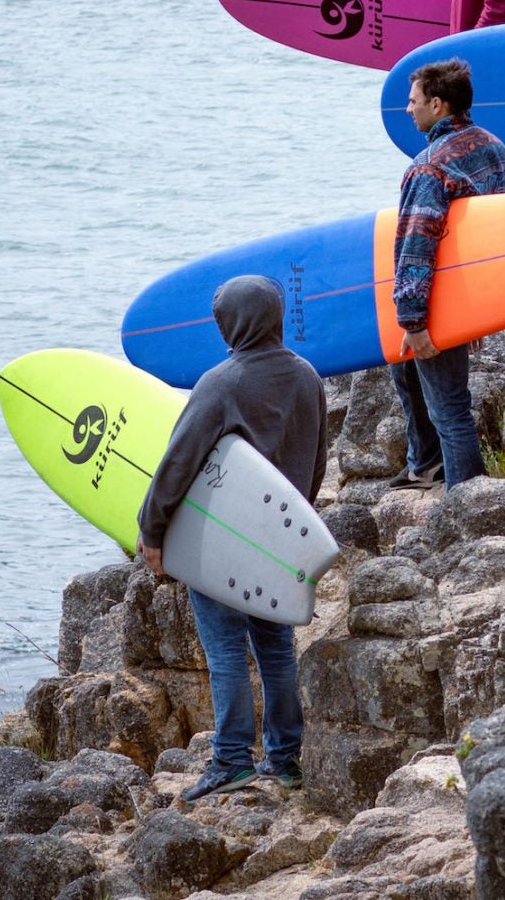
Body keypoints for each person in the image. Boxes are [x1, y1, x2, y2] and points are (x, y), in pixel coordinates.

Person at [137, 274, 327, 801]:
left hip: (221, 540)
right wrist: (298, 529)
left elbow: (178, 463)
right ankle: (285, 759)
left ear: (231, 323)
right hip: (282, 537)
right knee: (275, 647)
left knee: (225, 650)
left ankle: (232, 760)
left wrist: (152, 528)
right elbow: (318, 459)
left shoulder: (220, 384)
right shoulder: (307, 377)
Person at [389, 58, 505, 489]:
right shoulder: (497, 149)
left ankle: (468, 503)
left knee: (449, 407)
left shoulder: (429, 167)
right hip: (481, 291)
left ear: (438, 104)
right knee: (401, 367)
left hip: (443, 294)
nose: (408, 110)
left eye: (414, 101)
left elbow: (416, 245)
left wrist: (414, 320)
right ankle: (423, 463)